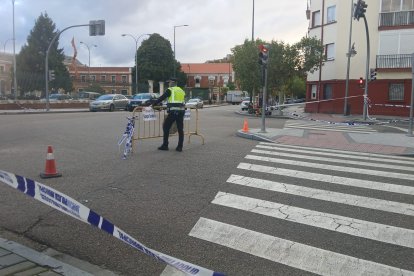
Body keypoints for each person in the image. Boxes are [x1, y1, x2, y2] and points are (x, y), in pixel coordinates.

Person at [149, 78, 186, 152]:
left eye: (169, 82)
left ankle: (165, 145)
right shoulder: (181, 90)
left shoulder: (170, 90)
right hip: (181, 111)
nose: (168, 84)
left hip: (173, 111)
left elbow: (162, 98)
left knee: (166, 127)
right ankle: (180, 147)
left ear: (172, 83)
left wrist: (154, 104)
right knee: (180, 129)